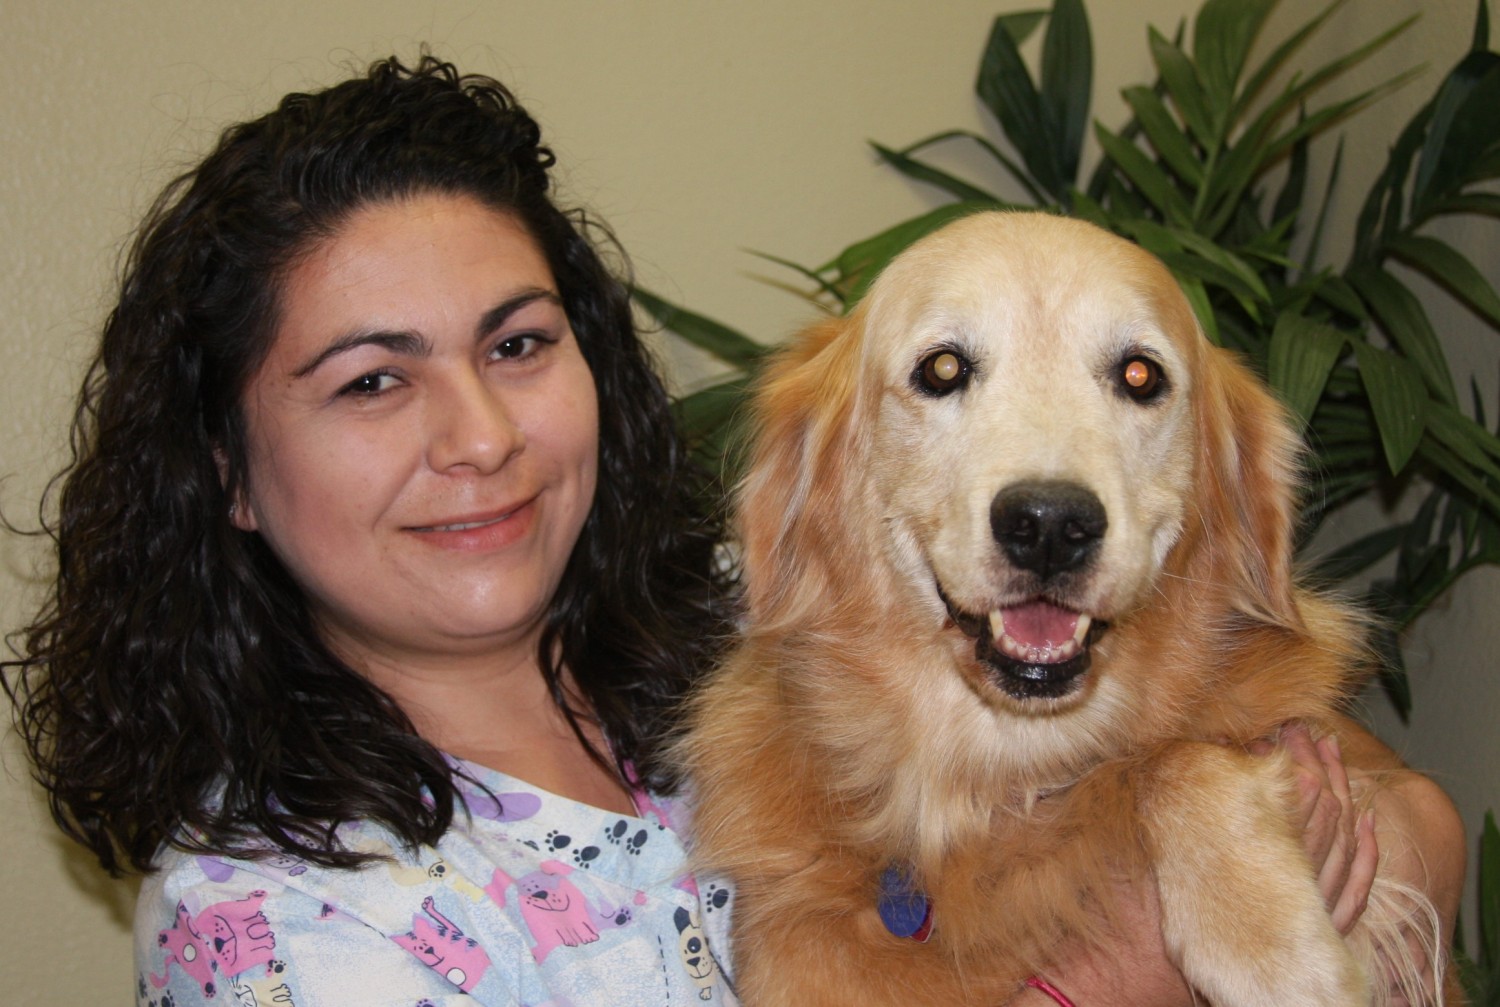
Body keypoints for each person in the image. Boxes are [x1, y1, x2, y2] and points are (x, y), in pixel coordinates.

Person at [1, 56, 1464, 1007]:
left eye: (517, 344)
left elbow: (1410, 823)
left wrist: (1236, 813)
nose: (481, 437)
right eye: (373, 380)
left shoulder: (763, 614)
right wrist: (1133, 970)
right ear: (233, 476)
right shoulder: (280, 930)